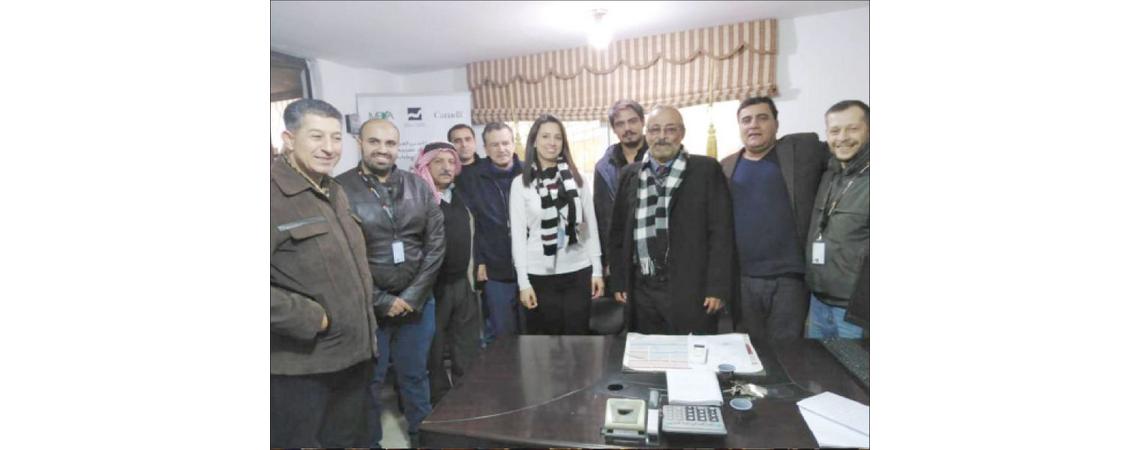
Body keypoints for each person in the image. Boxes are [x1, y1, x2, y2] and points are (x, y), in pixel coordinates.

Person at [270, 99, 378, 448]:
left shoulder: (333, 190)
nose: (329, 148)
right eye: (316, 136)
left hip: (353, 357)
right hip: (302, 369)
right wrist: (310, 318)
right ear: (289, 139)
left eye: (336, 137)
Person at [335, 119, 445, 445]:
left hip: (417, 304)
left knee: (416, 376)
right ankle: (371, 443)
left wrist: (412, 296)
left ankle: (422, 439)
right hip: (368, 308)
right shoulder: (339, 189)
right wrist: (381, 300)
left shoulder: (418, 185)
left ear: (398, 147)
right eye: (374, 142)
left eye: (390, 143)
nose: (382, 149)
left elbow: (436, 244)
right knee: (370, 382)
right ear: (360, 143)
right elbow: (340, 255)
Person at [609, 106, 734, 335]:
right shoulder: (629, 174)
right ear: (647, 134)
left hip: (690, 287)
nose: (662, 136)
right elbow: (617, 233)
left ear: (682, 133)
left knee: (690, 351)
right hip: (642, 288)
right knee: (647, 351)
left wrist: (717, 287)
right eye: (655, 130)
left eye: (670, 129)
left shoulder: (706, 170)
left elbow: (721, 233)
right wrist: (618, 281)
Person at [720, 96, 831, 344]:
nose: (753, 125)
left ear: (776, 124)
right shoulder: (725, 166)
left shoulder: (801, 151)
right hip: (743, 279)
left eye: (762, 118)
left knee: (788, 351)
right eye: (746, 120)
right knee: (750, 350)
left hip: (790, 279)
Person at [509, 114, 605, 334]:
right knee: (546, 346)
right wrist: (523, 283)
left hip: (578, 271)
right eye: (545, 136)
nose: (552, 142)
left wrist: (597, 271)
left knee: (578, 341)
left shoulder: (578, 180)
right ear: (534, 141)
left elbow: (589, 228)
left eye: (557, 137)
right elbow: (518, 237)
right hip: (539, 274)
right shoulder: (521, 184)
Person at [412, 142, 481, 404]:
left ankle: (467, 397)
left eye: (451, 162)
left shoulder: (458, 195)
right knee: (434, 348)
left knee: (466, 344)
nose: (446, 167)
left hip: (462, 282)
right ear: (425, 165)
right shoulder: (417, 198)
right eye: (439, 161)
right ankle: (441, 402)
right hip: (432, 287)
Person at [805, 100, 870, 339]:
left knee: (853, 365)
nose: (842, 137)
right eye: (835, 131)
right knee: (816, 362)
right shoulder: (829, 174)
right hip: (818, 303)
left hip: (855, 311)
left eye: (852, 129)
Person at [458, 122, 526, 344]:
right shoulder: (472, 178)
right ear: (485, 148)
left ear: (513, 144)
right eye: (494, 145)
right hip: (495, 269)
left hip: (532, 267)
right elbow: (473, 225)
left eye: (505, 143)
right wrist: (480, 260)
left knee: (533, 334)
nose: (501, 149)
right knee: (502, 336)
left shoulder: (529, 172)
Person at [595, 100, 649, 278]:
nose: (627, 128)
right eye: (620, 124)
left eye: (632, 121)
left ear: (642, 122)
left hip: (656, 252)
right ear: (613, 129)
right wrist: (608, 261)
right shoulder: (603, 168)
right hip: (621, 254)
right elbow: (603, 219)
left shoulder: (660, 158)